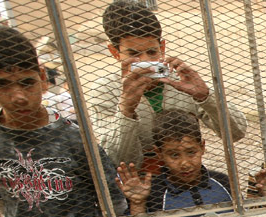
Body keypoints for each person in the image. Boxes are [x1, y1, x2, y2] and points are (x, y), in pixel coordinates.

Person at [0, 25, 127, 217]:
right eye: (2, 85)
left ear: (43, 78)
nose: (18, 97)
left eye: (27, 82)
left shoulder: (76, 138)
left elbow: (115, 201)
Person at [88, 0, 247, 172]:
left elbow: (236, 133)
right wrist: (126, 109)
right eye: (134, 54)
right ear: (114, 52)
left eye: (152, 52)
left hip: (186, 178)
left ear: (162, 47)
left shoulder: (181, 81)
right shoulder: (105, 91)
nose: (146, 61)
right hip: (137, 184)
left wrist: (205, 97)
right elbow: (115, 160)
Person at [116, 109, 232, 212]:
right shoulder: (152, 193)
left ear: (202, 147)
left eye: (191, 152)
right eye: (174, 155)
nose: (185, 163)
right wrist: (138, 203)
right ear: (159, 153)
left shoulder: (223, 182)